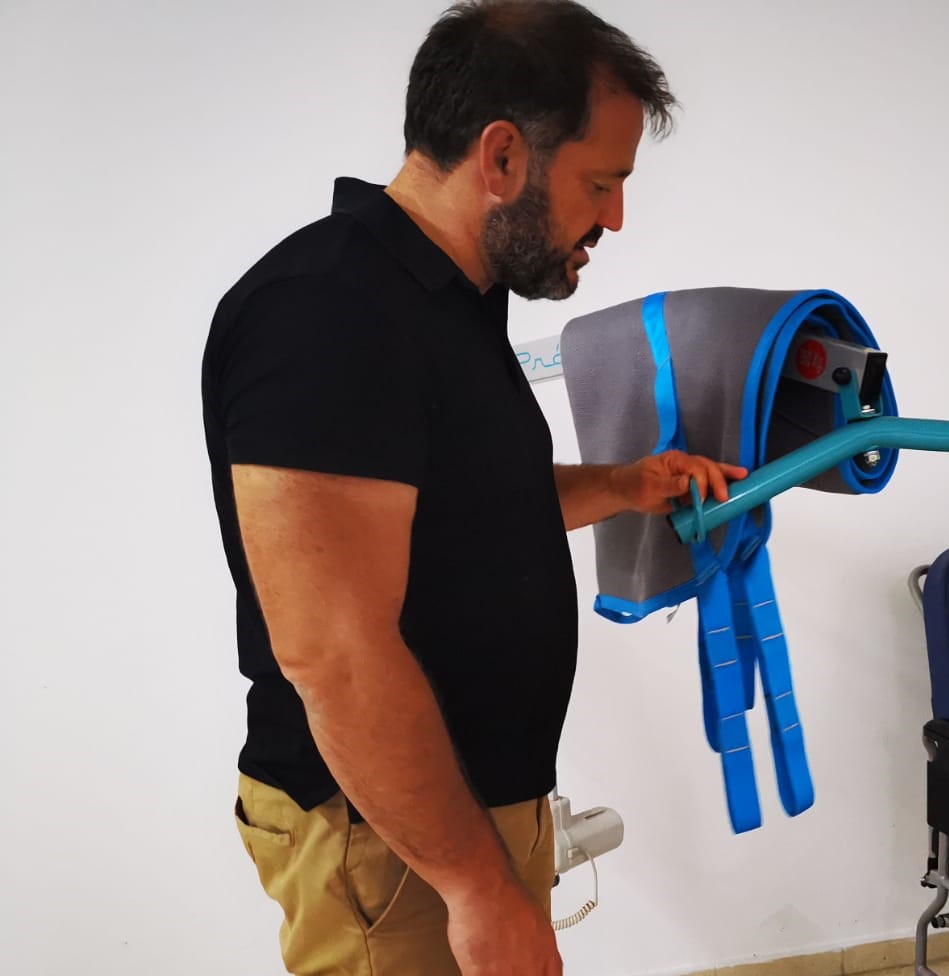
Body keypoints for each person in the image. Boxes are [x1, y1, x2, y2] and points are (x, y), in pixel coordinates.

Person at [200, 3, 745, 973]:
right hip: (389, 839)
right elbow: (335, 655)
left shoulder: (447, 304)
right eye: (601, 183)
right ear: (501, 157)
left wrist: (624, 484)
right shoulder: (326, 313)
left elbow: (461, 510)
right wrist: (476, 888)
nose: (615, 218)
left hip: (455, 819)